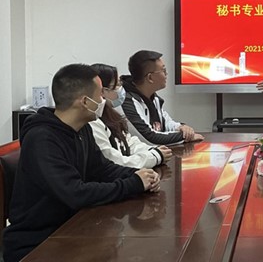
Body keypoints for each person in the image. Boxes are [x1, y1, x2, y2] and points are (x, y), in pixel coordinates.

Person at [2, 64, 160, 262]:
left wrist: (139, 174)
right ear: (85, 101)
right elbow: (75, 193)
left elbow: (102, 168)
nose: (103, 100)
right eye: (100, 95)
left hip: (72, 229)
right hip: (38, 243)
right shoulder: (42, 138)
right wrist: (133, 184)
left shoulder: (81, 129)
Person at [90, 63, 173, 168]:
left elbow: (129, 142)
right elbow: (115, 162)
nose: (121, 89)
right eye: (116, 85)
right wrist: (155, 156)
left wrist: (152, 150)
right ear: (102, 91)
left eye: (120, 83)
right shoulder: (93, 121)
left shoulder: (112, 114)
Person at [121, 50, 204, 145]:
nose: (166, 74)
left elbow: (166, 123)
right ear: (150, 78)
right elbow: (149, 138)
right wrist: (185, 136)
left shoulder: (153, 97)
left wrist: (181, 127)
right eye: (163, 70)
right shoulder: (127, 101)